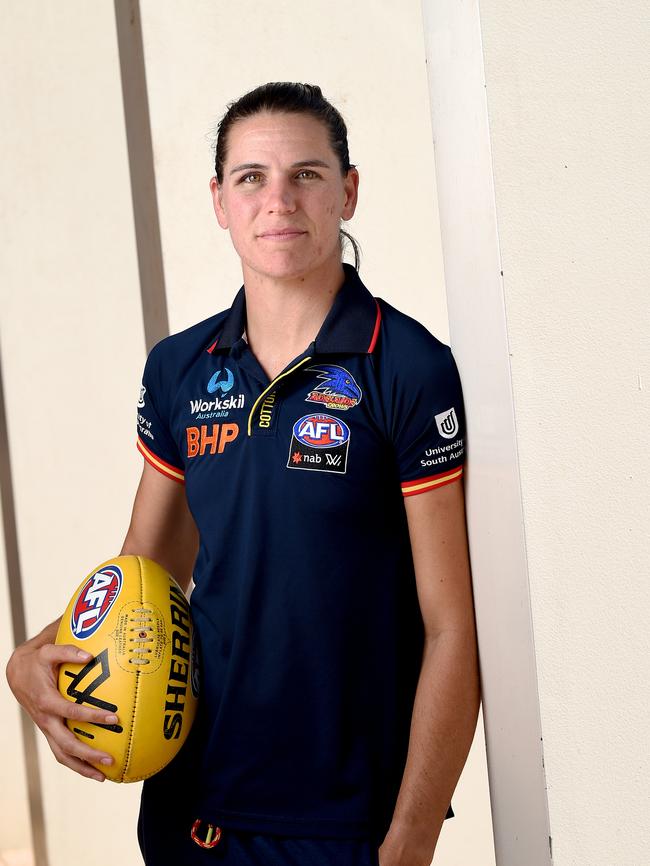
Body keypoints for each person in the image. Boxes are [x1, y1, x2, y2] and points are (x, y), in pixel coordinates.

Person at [7, 82, 480, 866]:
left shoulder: (408, 368)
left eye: (308, 174)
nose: (279, 200)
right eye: (252, 178)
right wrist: (33, 655)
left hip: (344, 824)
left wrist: (412, 838)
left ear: (349, 193)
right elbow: (144, 574)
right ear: (220, 202)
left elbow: (451, 627)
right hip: (194, 806)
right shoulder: (180, 370)